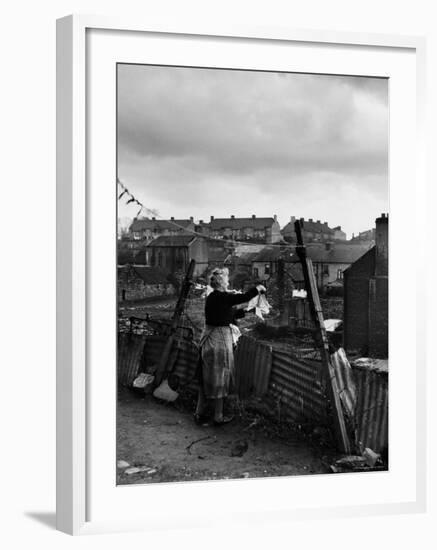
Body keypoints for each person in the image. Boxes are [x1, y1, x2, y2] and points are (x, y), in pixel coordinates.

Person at [195, 268, 266, 426]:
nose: (228, 282)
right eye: (226, 279)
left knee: (205, 379)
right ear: (221, 282)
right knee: (221, 378)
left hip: (209, 341)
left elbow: (228, 314)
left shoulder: (214, 297)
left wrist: (250, 310)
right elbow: (244, 297)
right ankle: (218, 417)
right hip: (219, 343)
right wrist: (258, 288)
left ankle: (199, 414)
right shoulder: (222, 296)